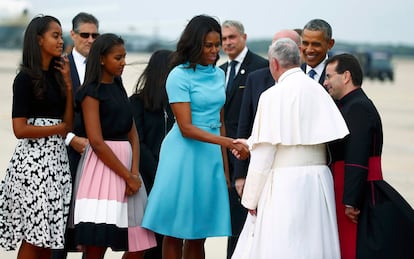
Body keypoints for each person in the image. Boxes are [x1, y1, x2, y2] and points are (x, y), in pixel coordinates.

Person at [231, 38, 349, 258]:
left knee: (283, 245)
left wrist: (251, 198)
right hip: (318, 180)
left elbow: (265, 153)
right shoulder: (318, 90)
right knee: (314, 245)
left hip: (285, 183)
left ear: (274, 64)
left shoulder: (272, 96)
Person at [141, 15, 246, 259]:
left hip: (210, 156)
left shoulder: (218, 75)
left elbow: (219, 123)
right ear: (194, 44)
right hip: (183, 153)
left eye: (216, 44)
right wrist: (228, 143)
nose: (214, 50)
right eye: (208, 45)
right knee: (175, 230)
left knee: (201, 232)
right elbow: (186, 127)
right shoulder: (178, 75)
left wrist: (226, 173)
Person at [73, 33, 156, 259]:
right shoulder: (91, 92)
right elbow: (97, 143)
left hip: (128, 168)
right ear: (101, 59)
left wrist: (134, 173)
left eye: (124, 57)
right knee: (97, 244)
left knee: (139, 241)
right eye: (118, 58)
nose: (123, 62)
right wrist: (126, 175)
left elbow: (133, 134)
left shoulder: (118, 86)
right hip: (102, 169)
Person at [324, 53, 414, 259]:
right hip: (348, 185)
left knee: (355, 247)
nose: (325, 82)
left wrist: (350, 200)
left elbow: (357, 156)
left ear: (346, 76)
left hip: (356, 188)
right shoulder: (350, 104)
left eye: (329, 76)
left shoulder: (358, 107)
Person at [0, 15, 73, 258]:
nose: (61, 40)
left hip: (57, 164)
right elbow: (20, 130)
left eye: (61, 35)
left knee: (47, 239)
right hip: (33, 167)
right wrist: (57, 129)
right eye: (55, 35)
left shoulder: (58, 77)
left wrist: (69, 85)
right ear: (39, 40)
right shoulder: (25, 78)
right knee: (33, 238)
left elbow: (69, 123)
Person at [234, 30, 301, 203]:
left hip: (295, 172)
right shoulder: (256, 79)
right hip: (260, 169)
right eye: (275, 45)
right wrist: (241, 174)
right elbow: (245, 125)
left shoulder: (311, 85)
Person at [53, 12, 100, 259]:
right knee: (61, 225)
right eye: (85, 34)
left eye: (95, 35)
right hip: (65, 154)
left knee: (90, 225)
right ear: (73, 35)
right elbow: (50, 112)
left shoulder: (106, 68)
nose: (91, 40)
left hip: (98, 155)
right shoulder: (58, 65)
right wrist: (71, 139)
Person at [219, 19, 268, 258]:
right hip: (221, 157)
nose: (227, 43)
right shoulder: (219, 71)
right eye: (224, 39)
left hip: (247, 156)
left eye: (232, 37)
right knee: (227, 224)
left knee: (243, 227)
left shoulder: (261, 68)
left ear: (244, 38)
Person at [129, 49, 175, 259]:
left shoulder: (177, 104)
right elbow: (138, 141)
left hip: (172, 180)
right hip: (146, 180)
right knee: (141, 244)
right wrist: (158, 172)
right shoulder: (138, 102)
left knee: (168, 239)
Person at [300, 18, 335, 85]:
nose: (309, 50)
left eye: (316, 44)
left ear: (330, 44)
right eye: (305, 43)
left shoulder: (338, 75)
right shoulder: (295, 74)